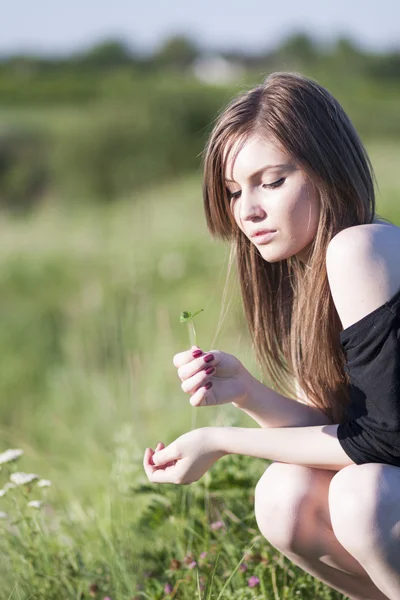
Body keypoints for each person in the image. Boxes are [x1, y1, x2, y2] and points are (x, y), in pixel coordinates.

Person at [143, 72, 400, 600]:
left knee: (363, 493)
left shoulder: (360, 248)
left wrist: (218, 441)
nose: (248, 211)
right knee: (284, 492)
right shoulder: (306, 275)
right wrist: (246, 392)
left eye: (273, 181)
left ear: (328, 172)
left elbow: (382, 445)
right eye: (235, 191)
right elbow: (341, 433)